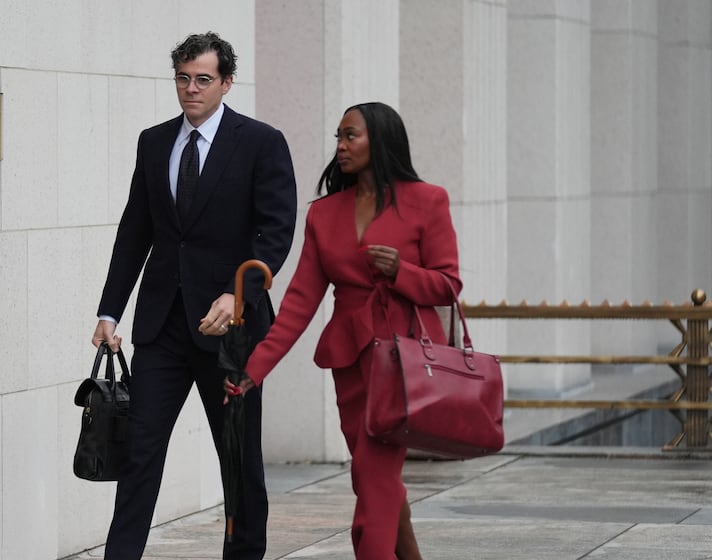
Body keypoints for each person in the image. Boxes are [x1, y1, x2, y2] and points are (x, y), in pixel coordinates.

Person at [92, 32, 298, 560]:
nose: (191, 90)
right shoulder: (154, 141)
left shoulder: (261, 142)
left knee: (239, 461)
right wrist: (110, 310)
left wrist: (240, 296)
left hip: (231, 334)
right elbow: (134, 230)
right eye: (183, 78)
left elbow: (274, 233)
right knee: (138, 455)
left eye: (203, 80)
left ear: (227, 83)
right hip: (161, 328)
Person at [225, 102, 462, 559]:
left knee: (374, 481)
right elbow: (298, 303)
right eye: (338, 136)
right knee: (373, 477)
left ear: (381, 140)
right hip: (351, 363)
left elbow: (448, 285)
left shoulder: (427, 200)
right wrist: (254, 369)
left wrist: (402, 272)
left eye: (351, 136)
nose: (340, 146)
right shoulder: (325, 213)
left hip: (405, 363)